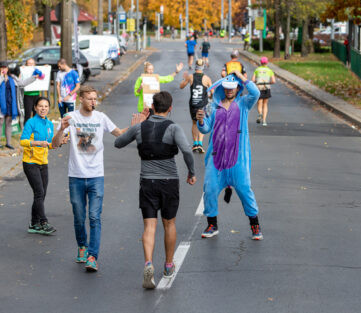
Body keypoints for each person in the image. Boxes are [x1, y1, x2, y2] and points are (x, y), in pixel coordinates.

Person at [114, 91, 196, 289]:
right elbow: (186, 150)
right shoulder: (173, 128)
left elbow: (118, 143)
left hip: (147, 181)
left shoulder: (140, 127)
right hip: (169, 182)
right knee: (169, 224)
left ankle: (148, 263)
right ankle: (168, 265)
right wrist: (191, 172)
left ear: (151, 106)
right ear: (170, 108)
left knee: (149, 226)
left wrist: (135, 126)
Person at [52, 85, 128, 272]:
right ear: (81, 100)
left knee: (94, 216)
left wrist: (138, 124)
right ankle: (82, 246)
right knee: (79, 216)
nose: (94, 102)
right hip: (76, 175)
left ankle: (93, 256)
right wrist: (61, 130)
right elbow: (54, 145)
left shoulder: (101, 118)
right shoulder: (70, 118)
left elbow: (120, 133)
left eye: (95, 98)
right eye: (90, 98)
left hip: (96, 176)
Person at [196, 72, 263, 240]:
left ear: (238, 88)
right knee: (209, 189)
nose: (229, 91)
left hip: (238, 160)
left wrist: (243, 78)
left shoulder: (243, 103)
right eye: (227, 88)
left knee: (244, 189)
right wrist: (201, 121)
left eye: (233, 88)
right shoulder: (212, 106)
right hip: (216, 159)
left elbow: (256, 93)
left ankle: (255, 225)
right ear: (222, 88)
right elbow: (205, 129)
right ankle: (212, 224)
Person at [20, 97, 59, 235]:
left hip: (43, 163)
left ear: (49, 108)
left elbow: (49, 144)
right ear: (35, 107)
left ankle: (33, 223)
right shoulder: (31, 122)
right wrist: (36, 143)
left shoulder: (49, 124)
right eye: (40, 106)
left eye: (46, 106)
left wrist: (59, 142)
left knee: (41, 195)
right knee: (39, 193)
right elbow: (23, 141)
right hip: (30, 163)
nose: (43, 109)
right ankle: (43, 222)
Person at [0, 61, 38, 149]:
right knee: (0, 123)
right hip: (1, 105)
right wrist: (2, 77)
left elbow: (22, 83)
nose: (4, 69)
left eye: (5, 68)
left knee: (8, 123)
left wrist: (33, 77)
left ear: (8, 69)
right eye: (2, 68)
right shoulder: (1, 77)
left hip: (10, 104)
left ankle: (8, 143)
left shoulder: (12, 77)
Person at [179, 59, 212, 153]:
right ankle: (200, 144)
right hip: (203, 104)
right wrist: (209, 95)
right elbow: (213, 92)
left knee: (194, 123)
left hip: (193, 104)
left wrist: (184, 79)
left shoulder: (190, 77)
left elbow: (181, 86)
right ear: (203, 67)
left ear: (195, 66)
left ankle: (195, 144)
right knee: (202, 122)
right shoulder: (207, 78)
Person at [252, 57, 276, 126]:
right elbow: (273, 81)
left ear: (261, 62)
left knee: (259, 103)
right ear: (267, 62)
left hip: (259, 87)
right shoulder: (269, 70)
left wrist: (258, 81)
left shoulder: (257, 70)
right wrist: (269, 82)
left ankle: (260, 114)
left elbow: (253, 80)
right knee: (265, 104)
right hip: (267, 87)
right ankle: (264, 121)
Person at [23, 59, 46, 124]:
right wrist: (22, 69)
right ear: (26, 64)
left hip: (36, 94)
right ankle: (27, 129)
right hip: (27, 95)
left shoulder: (37, 71)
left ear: (35, 64)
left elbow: (43, 76)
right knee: (27, 113)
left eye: (32, 63)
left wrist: (45, 67)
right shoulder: (24, 70)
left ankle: (36, 127)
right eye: (29, 63)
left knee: (36, 112)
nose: (31, 65)